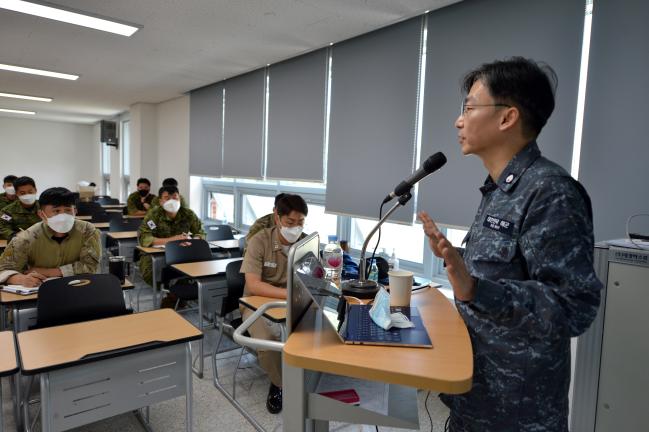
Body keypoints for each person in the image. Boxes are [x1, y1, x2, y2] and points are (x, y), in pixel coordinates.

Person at [417, 57, 602, 431]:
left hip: (518, 413)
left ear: (507, 118)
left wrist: (476, 289)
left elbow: (574, 306)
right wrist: (461, 264)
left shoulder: (550, 192)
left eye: (469, 108)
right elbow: (507, 271)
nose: (459, 120)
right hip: (477, 397)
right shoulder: (499, 190)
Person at [240, 193, 308, 414]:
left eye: (300, 222)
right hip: (256, 304)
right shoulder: (259, 241)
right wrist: (287, 294)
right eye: (290, 222)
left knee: (318, 330)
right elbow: (254, 285)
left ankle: (307, 378)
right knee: (268, 340)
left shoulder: (306, 243)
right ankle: (279, 384)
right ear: (277, 218)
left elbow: (313, 279)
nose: (295, 228)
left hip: (293, 302)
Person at [0, 187, 101, 287]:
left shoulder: (87, 230)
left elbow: (90, 266)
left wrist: (47, 272)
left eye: (68, 210)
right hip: (39, 291)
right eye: (56, 211)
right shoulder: (26, 238)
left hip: (79, 287)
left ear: (75, 211)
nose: (63, 217)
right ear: (41, 214)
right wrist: (22, 279)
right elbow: (3, 269)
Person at [138, 185, 205, 306]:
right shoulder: (154, 215)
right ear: (160, 201)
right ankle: (173, 294)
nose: (172, 201)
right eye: (167, 198)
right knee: (151, 273)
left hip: (182, 254)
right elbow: (144, 237)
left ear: (180, 198)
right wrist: (172, 240)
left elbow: (201, 232)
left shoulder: (188, 214)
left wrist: (193, 241)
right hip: (157, 254)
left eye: (175, 197)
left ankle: (175, 295)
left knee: (193, 269)